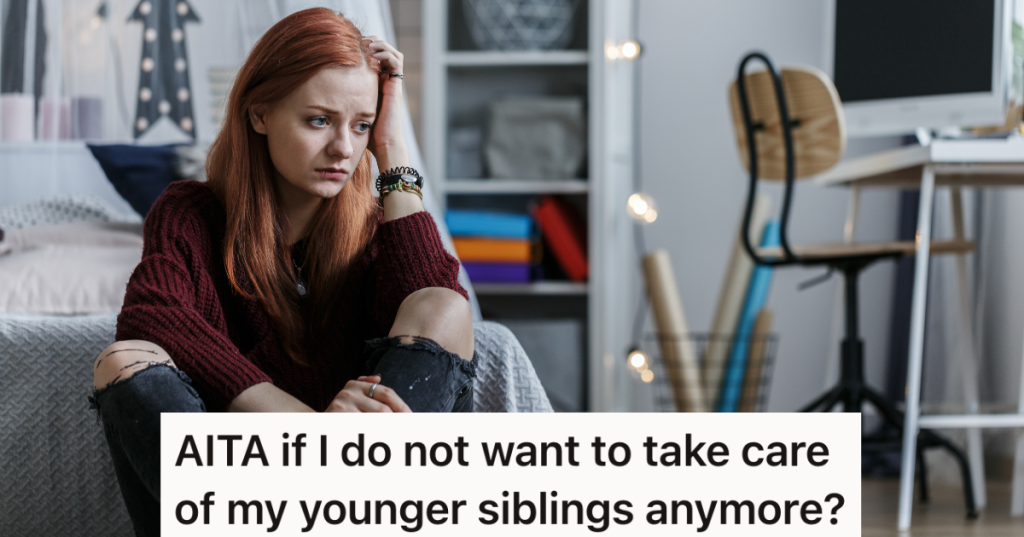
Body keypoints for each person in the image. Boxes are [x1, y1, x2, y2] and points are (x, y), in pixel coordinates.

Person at [89, 8, 475, 535]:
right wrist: (308, 434)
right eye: (319, 120)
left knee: (444, 305)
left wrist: (393, 149)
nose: (343, 148)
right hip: (241, 505)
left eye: (360, 125)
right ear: (259, 114)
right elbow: (152, 316)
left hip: (369, 507)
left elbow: (437, 302)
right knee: (124, 360)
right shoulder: (191, 213)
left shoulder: (375, 229)